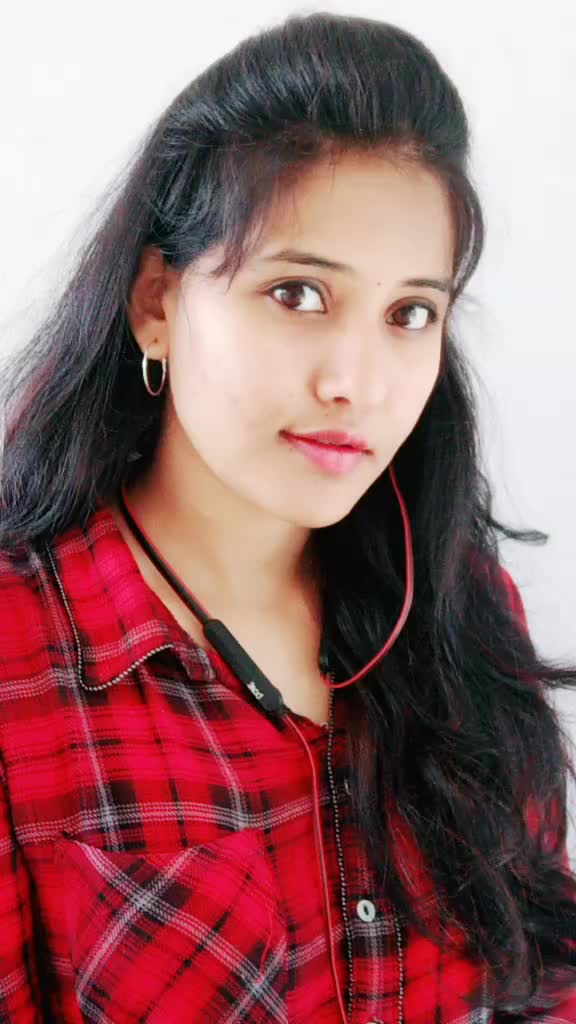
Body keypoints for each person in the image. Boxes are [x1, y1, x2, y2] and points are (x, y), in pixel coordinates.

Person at [0, 11, 575, 1023]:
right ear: (156, 302)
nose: (358, 382)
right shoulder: (23, 656)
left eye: (410, 313)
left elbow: (547, 972)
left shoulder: (458, 601)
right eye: (298, 293)